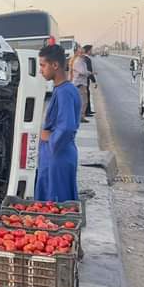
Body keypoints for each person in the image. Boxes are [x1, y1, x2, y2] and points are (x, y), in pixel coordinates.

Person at [35, 45, 81, 202]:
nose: (40, 70)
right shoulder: (65, 89)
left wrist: (48, 137)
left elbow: (67, 127)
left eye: (43, 65)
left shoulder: (64, 92)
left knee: (55, 204)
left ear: (55, 65)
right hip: (59, 154)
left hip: (57, 156)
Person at [71, 46, 90, 124]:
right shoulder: (78, 61)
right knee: (83, 101)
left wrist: (89, 72)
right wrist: (88, 73)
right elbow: (82, 72)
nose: (82, 54)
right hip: (79, 84)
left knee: (83, 101)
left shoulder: (82, 61)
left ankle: (81, 117)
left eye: (83, 52)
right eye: (81, 52)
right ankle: (80, 117)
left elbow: (84, 71)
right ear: (78, 53)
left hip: (81, 83)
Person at [83, 45, 97, 117]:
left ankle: (88, 110)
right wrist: (94, 81)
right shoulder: (87, 59)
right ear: (88, 51)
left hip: (84, 80)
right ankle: (86, 112)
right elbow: (89, 71)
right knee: (86, 95)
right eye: (91, 50)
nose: (92, 51)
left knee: (87, 94)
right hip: (85, 80)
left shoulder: (83, 58)